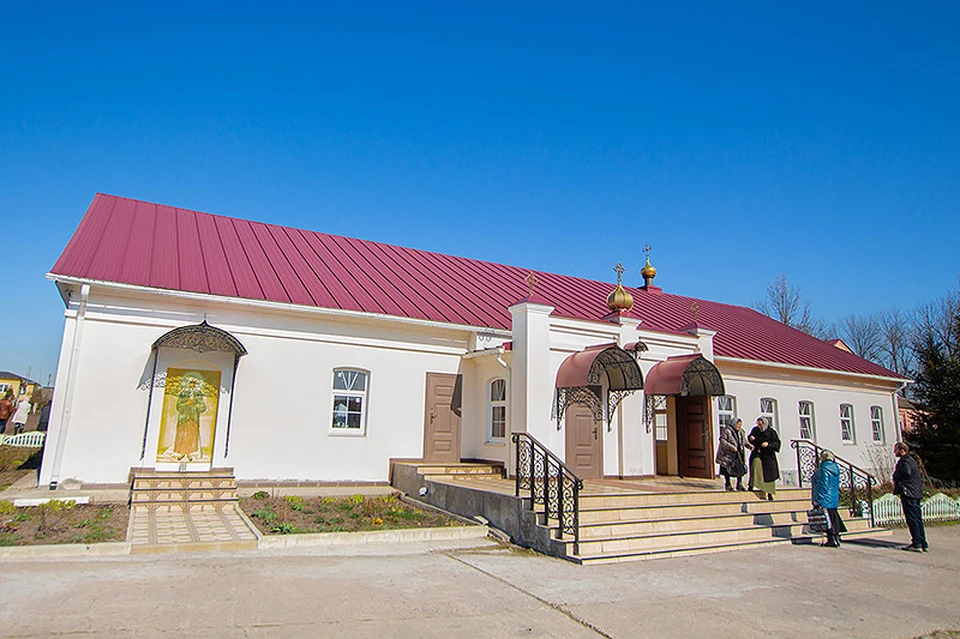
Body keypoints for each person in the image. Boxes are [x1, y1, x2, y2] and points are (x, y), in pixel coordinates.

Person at [893, 442, 927, 552]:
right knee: (917, 518)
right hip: (915, 492)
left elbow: (906, 473)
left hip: (909, 493)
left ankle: (917, 542)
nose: (894, 452)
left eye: (896, 450)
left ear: (902, 451)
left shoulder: (905, 461)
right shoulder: (912, 460)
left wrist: (897, 478)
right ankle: (922, 542)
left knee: (912, 518)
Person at [810, 450, 847, 547]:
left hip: (825, 498)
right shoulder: (835, 468)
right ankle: (836, 537)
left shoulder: (824, 469)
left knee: (827, 520)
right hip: (833, 497)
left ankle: (831, 539)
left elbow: (823, 486)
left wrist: (818, 500)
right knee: (833, 518)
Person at [174, 376, 206, 461]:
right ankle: (182, 452)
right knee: (183, 434)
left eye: (194, 383)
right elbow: (178, 406)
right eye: (191, 383)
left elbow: (203, 407)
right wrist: (186, 404)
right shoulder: (184, 393)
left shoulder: (198, 394)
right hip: (184, 417)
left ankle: (189, 453)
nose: (192, 385)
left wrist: (198, 406)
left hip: (193, 417)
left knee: (191, 435)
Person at [748, 416, 780, 500]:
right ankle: (752, 485)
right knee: (755, 465)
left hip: (768, 456)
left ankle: (769, 493)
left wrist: (768, 445)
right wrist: (751, 438)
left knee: (769, 474)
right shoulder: (755, 430)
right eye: (758, 424)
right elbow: (750, 438)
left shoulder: (771, 432)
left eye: (761, 425)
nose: (759, 426)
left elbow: (777, 443)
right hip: (758, 453)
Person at [715, 417, 750, 491]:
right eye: (737, 425)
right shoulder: (727, 431)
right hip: (727, 454)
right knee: (726, 468)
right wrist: (732, 447)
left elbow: (744, 441)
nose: (739, 426)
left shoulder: (741, 432)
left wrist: (748, 445)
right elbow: (723, 441)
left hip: (738, 453)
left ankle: (739, 484)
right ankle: (728, 484)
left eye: (740, 425)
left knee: (740, 468)